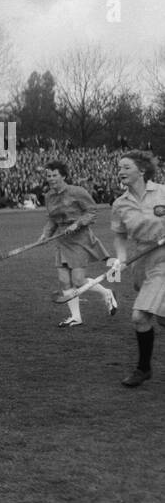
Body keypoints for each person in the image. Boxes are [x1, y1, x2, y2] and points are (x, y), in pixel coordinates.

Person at [108, 151, 165, 386]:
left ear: (141, 170)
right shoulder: (120, 204)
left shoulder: (162, 192)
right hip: (141, 259)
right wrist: (120, 258)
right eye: (119, 167)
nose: (120, 171)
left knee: (139, 316)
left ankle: (143, 369)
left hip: (164, 258)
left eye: (126, 167)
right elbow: (120, 236)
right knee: (161, 318)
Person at [40, 161, 116, 328]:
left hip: (80, 238)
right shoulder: (49, 196)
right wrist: (45, 235)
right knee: (64, 281)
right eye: (48, 175)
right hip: (62, 239)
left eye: (54, 175)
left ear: (64, 176)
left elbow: (92, 211)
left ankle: (107, 293)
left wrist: (78, 223)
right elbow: (52, 219)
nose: (51, 178)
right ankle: (76, 317)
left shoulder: (77, 192)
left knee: (79, 281)